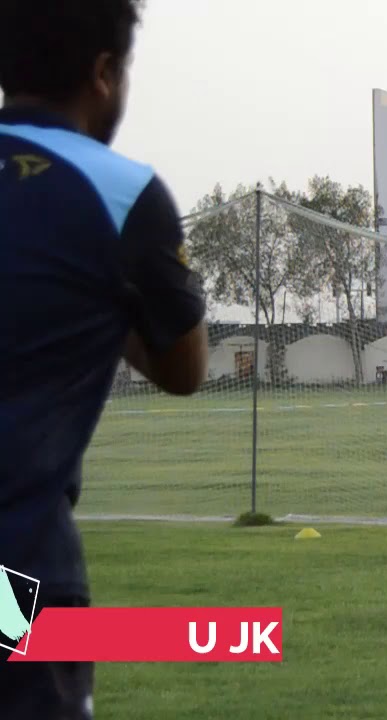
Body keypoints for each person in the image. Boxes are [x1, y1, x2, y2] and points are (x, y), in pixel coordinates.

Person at [0, 1, 209, 717]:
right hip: (15, 569)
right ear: (103, 73)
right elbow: (184, 372)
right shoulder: (121, 193)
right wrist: (108, 290)